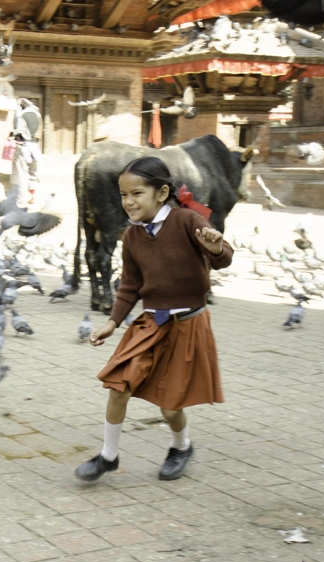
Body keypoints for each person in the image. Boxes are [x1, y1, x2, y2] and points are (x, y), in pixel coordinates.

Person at [75, 156, 234, 483]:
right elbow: (130, 285)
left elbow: (223, 258)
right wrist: (113, 322)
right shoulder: (131, 237)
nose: (128, 202)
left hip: (188, 325)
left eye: (137, 193)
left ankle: (181, 447)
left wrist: (217, 250)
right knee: (118, 385)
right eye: (123, 195)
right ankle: (108, 456)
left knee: (170, 405)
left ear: (161, 193)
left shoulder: (187, 220)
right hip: (151, 324)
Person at [10, 99, 41, 207]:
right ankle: (33, 198)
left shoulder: (21, 116)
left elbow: (19, 130)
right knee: (33, 174)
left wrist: (12, 135)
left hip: (23, 148)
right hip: (35, 147)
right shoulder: (37, 115)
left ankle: (21, 201)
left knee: (22, 175)